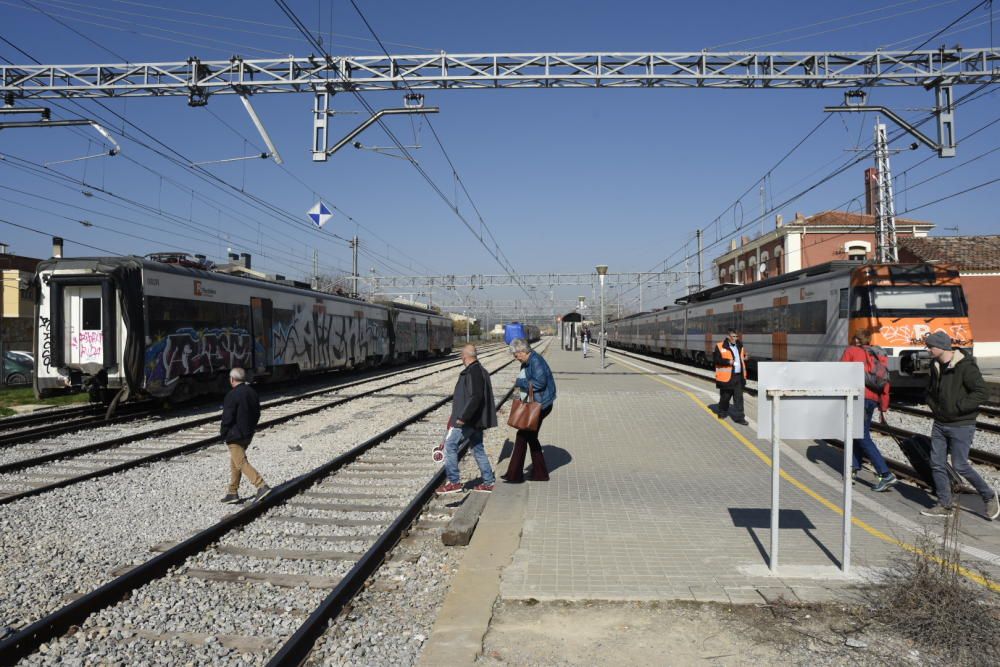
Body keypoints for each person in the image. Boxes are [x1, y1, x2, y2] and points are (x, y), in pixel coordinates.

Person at [920, 331, 999, 520]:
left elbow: (981, 392)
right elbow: (930, 390)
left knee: (961, 465)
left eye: (930, 347)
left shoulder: (965, 367)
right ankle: (944, 505)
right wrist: (934, 406)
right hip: (940, 422)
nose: (928, 350)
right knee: (936, 463)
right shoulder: (935, 365)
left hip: (961, 424)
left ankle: (988, 496)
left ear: (941, 347)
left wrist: (958, 408)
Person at [840, 330, 898, 492]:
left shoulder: (850, 351)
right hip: (872, 400)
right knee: (857, 433)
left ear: (855, 339)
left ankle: (885, 474)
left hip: (857, 397)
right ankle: (852, 470)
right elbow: (885, 382)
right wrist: (883, 406)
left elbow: (841, 374)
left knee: (861, 435)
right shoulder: (878, 354)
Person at [436, 344, 498, 494]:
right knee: (478, 449)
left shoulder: (473, 372)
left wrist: (462, 418)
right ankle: (489, 482)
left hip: (469, 420)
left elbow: (475, 397)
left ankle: (454, 482)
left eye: (461, 357)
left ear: (465, 357)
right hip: (477, 419)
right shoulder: (480, 370)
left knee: (450, 445)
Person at [503, 338, 556, 482]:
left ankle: (515, 475)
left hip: (541, 405)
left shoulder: (535, 361)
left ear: (522, 351)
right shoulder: (528, 361)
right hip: (538, 403)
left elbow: (540, 382)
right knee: (530, 437)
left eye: (516, 355)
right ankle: (538, 473)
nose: (515, 358)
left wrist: (520, 382)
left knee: (522, 436)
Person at [219, 367, 271, 504]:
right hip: (248, 433)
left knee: (241, 462)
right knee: (235, 462)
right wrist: (251, 427)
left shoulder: (232, 395)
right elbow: (257, 413)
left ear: (231, 379)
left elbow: (227, 418)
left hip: (234, 435)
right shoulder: (252, 392)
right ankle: (232, 492)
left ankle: (261, 485)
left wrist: (223, 433)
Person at [713, 328, 749, 426]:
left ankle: (739, 418)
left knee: (739, 398)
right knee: (725, 397)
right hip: (727, 377)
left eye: (737, 336)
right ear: (728, 337)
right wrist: (728, 362)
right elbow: (716, 360)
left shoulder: (739, 346)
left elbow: (741, 357)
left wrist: (745, 357)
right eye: (733, 336)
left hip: (738, 376)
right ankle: (722, 412)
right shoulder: (719, 346)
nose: (735, 338)